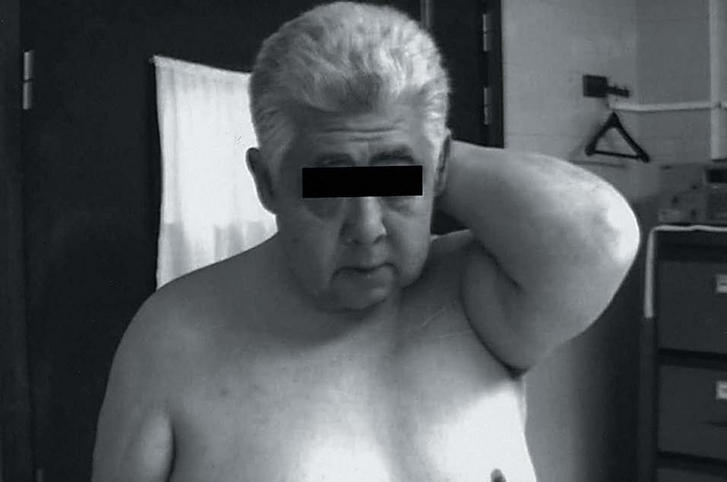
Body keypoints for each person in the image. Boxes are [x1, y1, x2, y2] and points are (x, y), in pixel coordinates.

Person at [91, 2, 640, 481]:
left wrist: (423, 154)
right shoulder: (177, 336)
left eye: (397, 182)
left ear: (440, 170)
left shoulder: (479, 302)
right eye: (330, 186)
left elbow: (601, 236)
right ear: (267, 183)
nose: (368, 227)